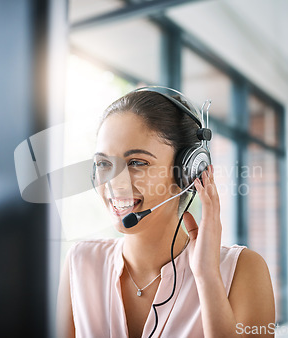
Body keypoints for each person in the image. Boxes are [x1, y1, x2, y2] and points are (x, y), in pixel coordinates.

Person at [57, 88, 275, 337]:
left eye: (137, 163)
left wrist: (207, 278)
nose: (115, 183)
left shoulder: (243, 270)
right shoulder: (81, 262)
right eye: (104, 163)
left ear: (188, 172)